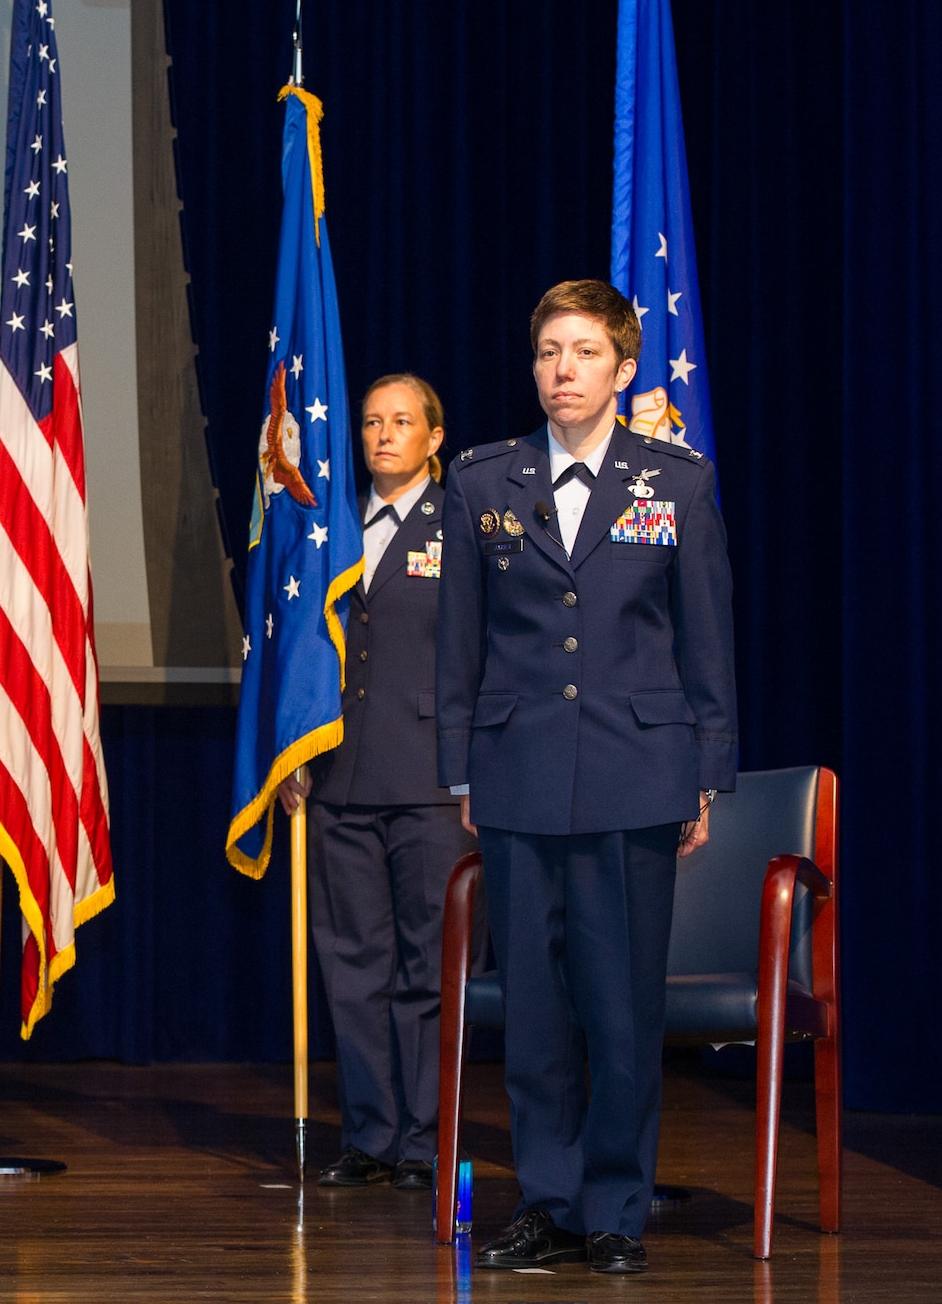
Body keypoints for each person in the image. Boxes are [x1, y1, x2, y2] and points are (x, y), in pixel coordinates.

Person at [435, 280, 736, 1275]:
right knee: (533, 1010)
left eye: (581, 353)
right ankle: (550, 1200)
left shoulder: (674, 485)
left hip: (634, 770)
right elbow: (458, 645)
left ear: (620, 367)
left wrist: (703, 768)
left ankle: (615, 1204)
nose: (560, 371)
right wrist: (457, 765)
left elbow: (705, 640)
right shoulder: (483, 481)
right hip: (517, 770)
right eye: (545, 353)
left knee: (618, 1006)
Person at [277, 374, 475, 1191]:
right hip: (342, 775)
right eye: (369, 422)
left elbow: (483, 652)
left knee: (429, 967)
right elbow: (298, 645)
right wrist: (293, 749)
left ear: (435, 437)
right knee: (352, 963)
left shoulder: (462, 521)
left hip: (434, 778)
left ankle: (429, 1137)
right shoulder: (327, 527)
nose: (382, 435)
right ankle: (370, 1132)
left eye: (401, 422)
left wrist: (474, 769)